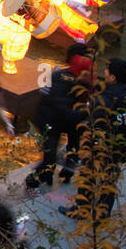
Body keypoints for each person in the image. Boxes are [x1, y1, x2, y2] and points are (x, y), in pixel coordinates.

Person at [64, 57, 126, 222]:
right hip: (121, 148)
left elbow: (96, 126)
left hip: (101, 148)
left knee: (88, 176)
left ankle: (82, 210)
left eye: (107, 71)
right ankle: (102, 214)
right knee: (109, 180)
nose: (104, 72)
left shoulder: (104, 99)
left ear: (113, 77)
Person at [26, 44, 93, 188]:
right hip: (57, 119)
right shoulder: (72, 80)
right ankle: (47, 175)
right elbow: (63, 106)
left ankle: (54, 174)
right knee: (57, 152)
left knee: (61, 150)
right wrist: (87, 111)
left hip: (57, 119)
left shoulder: (58, 75)